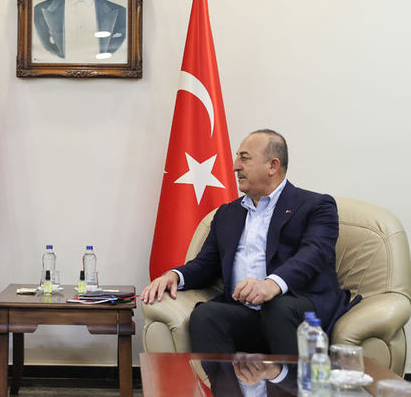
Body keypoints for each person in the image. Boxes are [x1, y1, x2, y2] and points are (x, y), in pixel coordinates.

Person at [142, 129, 359, 354]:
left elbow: (314, 254)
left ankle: (290, 378)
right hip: (245, 311)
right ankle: (227, 379)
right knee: (206, 315)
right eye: (237, 158)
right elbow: (206, 263)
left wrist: (271, 284)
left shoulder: (316, 206)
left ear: (272, 166)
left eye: (244, 158)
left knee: (278, 307)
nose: (235, 166)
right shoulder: (227, 214)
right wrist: (174, 276)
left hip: (296, 307)